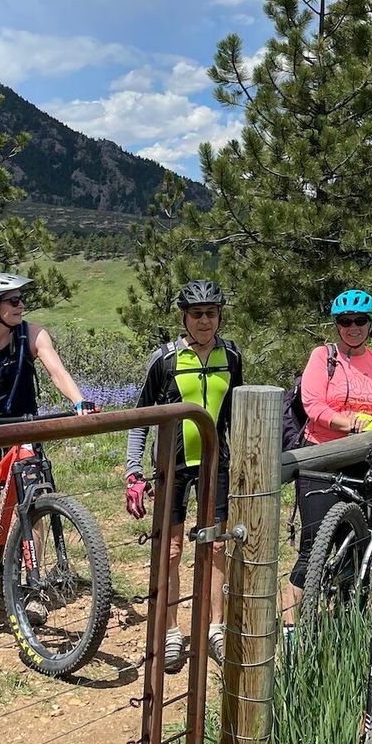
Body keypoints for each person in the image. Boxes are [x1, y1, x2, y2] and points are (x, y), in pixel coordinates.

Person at [124, 280, 243, 672]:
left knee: (217, 546)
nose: (204, 321)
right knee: (172, 550)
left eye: (211, 313)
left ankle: (215, 628)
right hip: (170, 466)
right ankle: (173, 632)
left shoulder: (231, 356)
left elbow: (237, 414)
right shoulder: (165, 360)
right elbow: (140, 418)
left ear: (219, 315)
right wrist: (133, 471)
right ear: (184, 317)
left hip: (215, 462)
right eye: (196, 314)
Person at [280, 289, 372, 634]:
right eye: (345, 321)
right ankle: (291, 629)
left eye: (360, 320)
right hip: (323, 457)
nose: (353, 327)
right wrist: (356, 423)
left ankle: (346, 623)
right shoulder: (323, 357)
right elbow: (314, 405)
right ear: (337, 325)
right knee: (313, 547)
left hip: (364, 461)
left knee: (359, 545)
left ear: (370, 324)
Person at [0, 272, 93, 421]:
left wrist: (79, 401)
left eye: (21, 299)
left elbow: (59, 374)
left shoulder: (34, 335)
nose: (22, 306)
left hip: (25, 424)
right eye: (14, 301)